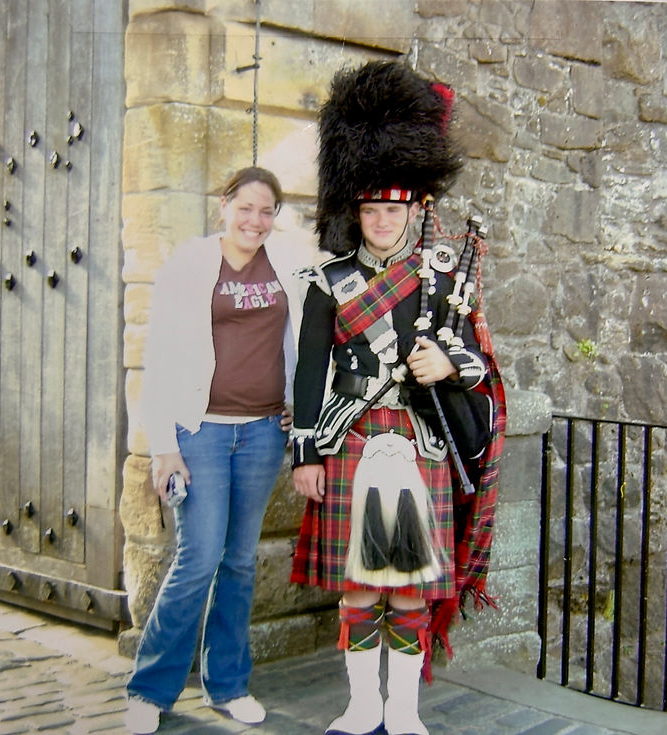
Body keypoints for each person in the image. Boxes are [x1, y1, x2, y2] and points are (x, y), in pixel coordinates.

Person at [290, 61, 506, 735]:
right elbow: (307, 371)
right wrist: (305, 452)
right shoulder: (330, 281)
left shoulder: (444, 276)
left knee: (409, 588)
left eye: (395, 208)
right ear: (356, 210)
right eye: (372, 209)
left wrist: (448, 361)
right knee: (358, 586)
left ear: (414, 209)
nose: (383, 220)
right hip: (351, 437)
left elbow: (482, 362)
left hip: (422, 442)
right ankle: (360, 706)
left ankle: (404, 710)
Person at [126, 167, 307, 734]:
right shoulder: (190, 264)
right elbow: (158, 359)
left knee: (239, 562)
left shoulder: (288, 265)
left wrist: (298, 400)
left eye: (266, 210)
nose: (255, 220)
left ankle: (227, 685)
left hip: (261, 433)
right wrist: (163, 448)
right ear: (223, 206)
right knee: (197, 559)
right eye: (245, 207)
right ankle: (151, 689)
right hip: (198, 433)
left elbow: (307, 338)